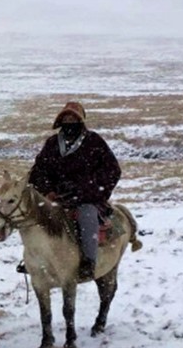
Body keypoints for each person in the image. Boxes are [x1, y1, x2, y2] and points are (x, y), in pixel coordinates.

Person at [29, 101, 122, 281]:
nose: (69, 122)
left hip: (86, 198)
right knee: (36, 218)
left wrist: (86, 189)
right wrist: (48, 190)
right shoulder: (52, 143)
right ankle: (35, 260)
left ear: (80, 121)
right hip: (55, 197)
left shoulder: (94, 142)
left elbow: (112, 170)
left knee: (87, 216)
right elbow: (38, 171)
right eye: (66, 119)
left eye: (73, 119)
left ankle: (88, 262)